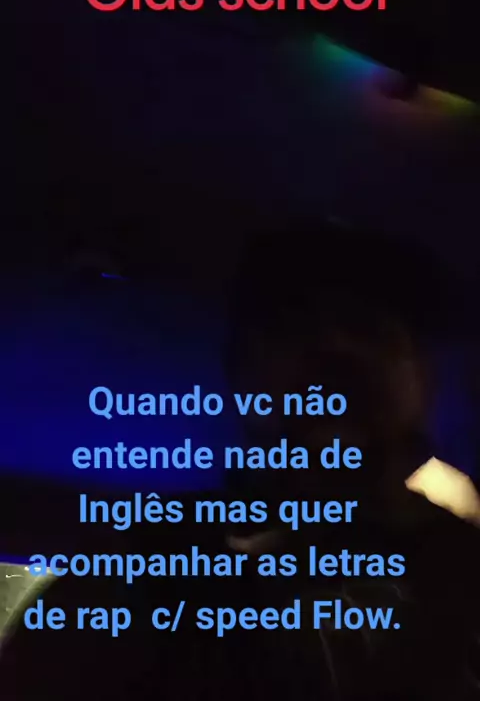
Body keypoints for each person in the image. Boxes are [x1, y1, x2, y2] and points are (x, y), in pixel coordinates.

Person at [1, 220, 479, 699]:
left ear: (425, 381)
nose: (337, 349)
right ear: (240, 372)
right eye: (294, 330)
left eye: (372, 329)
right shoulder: (138, 563)